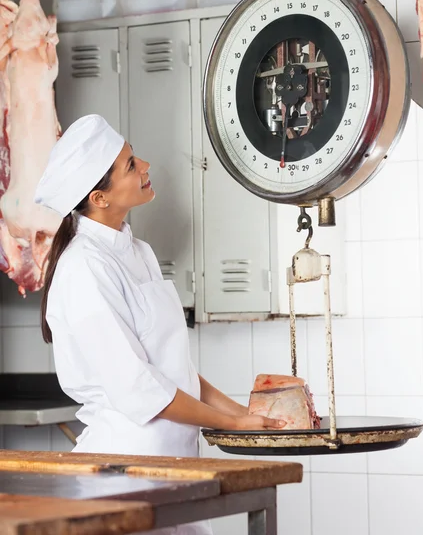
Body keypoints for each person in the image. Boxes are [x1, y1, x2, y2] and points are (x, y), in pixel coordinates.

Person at [34, 115, 285, 535]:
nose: (146, 165)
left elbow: (173, 371)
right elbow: (139, 388)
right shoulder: (83, 268)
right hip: (123, 472)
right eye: (131, 165)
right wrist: (232, 423)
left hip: (171, 467)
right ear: (99, 197)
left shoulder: (138, 252)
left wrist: (244, 414)